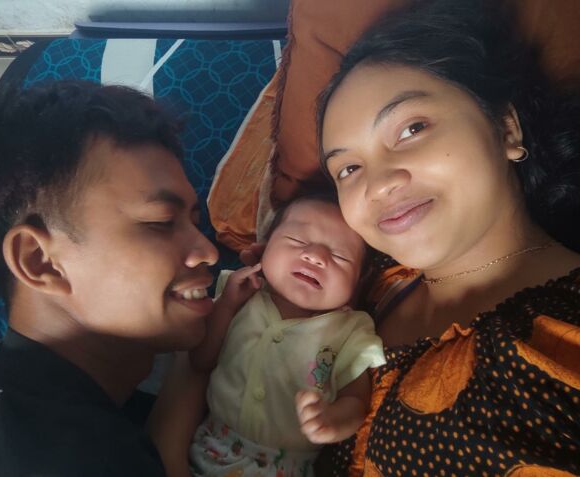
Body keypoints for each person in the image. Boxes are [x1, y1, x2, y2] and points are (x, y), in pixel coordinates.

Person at [313, 0, 580, 475]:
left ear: (506, 128)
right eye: (348, 168)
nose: (377, 185)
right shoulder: (373, 286)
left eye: (412, 129)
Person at [0, 80, 219, 476]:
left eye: (194, 220)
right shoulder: (85, 461)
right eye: (160, 222)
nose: (208, 251)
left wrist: (195, 368)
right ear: (40, 261)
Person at [187, 195, 386, 476]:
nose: (315, 256)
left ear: (359, 281)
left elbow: (356, 400)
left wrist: (333, 420)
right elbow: (200, 360)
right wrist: (227, 305)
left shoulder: (350, 329)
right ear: (264, 247)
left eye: (340, 256)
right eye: (296, 240)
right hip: (209, 449)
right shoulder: (239, 295)